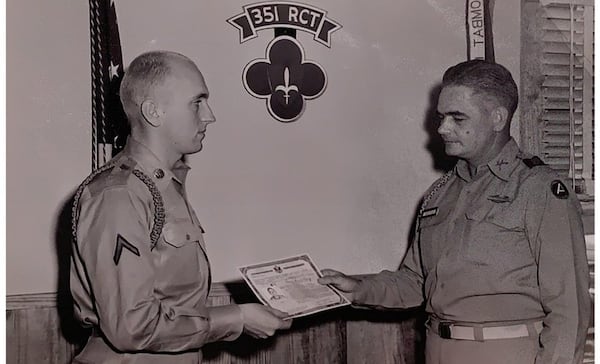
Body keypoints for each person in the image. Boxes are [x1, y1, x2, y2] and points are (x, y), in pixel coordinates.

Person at [319, 60, 591, 364]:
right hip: (438, 351)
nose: (442, 128)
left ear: (497, 118)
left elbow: (571, 309)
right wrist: (357, 288)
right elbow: (415, 282)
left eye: (457, 117)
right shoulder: (441, 192)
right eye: (441, 117)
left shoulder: (539, 189)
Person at [70, 51, 292, 363]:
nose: (209, 115)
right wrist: (236, 318)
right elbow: (131, 327)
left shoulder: (163, 186)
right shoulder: (118, 195)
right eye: (196, 102)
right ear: (154, 112)